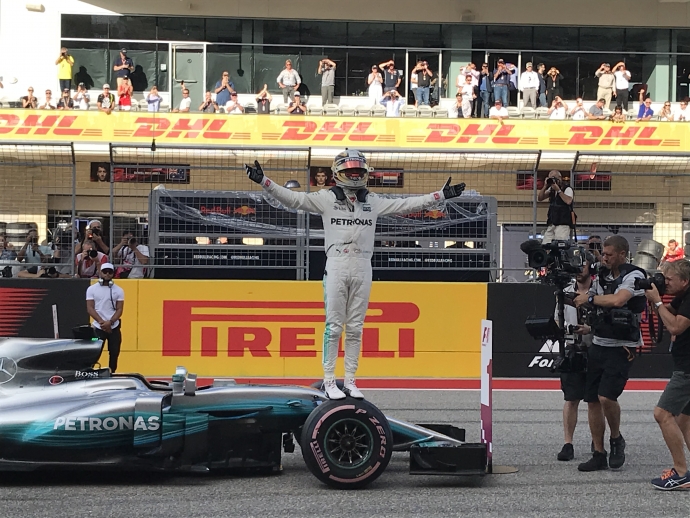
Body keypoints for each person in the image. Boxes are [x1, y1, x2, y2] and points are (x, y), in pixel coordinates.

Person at [245, 150, 466, 400]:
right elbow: (294, 199)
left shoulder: (372, 201)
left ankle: (350, 381)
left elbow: (406, 205)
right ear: (338, 172)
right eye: (350, 170)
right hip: (337, 264)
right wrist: (264, 181)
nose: (355, 174)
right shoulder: (325, 198)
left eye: (358, 170)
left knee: (356, 328)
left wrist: (440, 195)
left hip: (363, 265)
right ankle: (329, 381)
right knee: (334, 326)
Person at [574, 235, 646, 472]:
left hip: (622, 345)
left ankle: (616, 439)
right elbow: (590, 301)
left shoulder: (634, 275)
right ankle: (598, 452)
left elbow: (618, 300)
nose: (603, 258)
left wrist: (591, 298)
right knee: (592, 400)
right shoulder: (600, 276)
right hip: (599, 342)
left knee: (607, 397)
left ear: (623, 254)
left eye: (609, 254)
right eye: (602, 254)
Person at [644, 260, 690, 490]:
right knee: (684, 419)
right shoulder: (684, 295)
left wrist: (659, 301)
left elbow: (675, 327)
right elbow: (670, 312)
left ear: (685, 280)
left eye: (669, 279)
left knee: (662, 413)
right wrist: (656, 299)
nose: (666, 282)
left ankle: (681, 472)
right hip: (686, 363)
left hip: (688, 369)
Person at [557, 259, 594, 461]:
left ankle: (597, 441)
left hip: (594, 348)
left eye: (583, 266)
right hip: (572, 348)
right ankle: (567, 443)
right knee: (571, 398)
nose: (580, 270)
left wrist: (591, 329)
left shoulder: (599, 290)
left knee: (594, 399)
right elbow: (557, 317)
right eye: (576, 266)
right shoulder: (564, 291)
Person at [86, 263, 125, 373]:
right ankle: (89, 372)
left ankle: (112, 372)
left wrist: (111, 322)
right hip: (98, 327)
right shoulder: (91, 289)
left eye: (110, 272)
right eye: (105, 272)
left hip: (114, 327)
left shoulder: (118, 290)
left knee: (114, 352)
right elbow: (90, 308)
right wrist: (102, 322)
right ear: (100, 272)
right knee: (94, 352)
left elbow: (119, 309)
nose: (107, 274)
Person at [538, 170, 573, 244]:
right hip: (552, 222)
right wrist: (545, 186)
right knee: (546, 244)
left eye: (554, 178)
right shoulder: (551, 190)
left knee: (560, 244)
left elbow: (568, 201)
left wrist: (559, 190)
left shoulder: (567, 189)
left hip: (563, 223)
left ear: (560, 178)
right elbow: (540, 198)